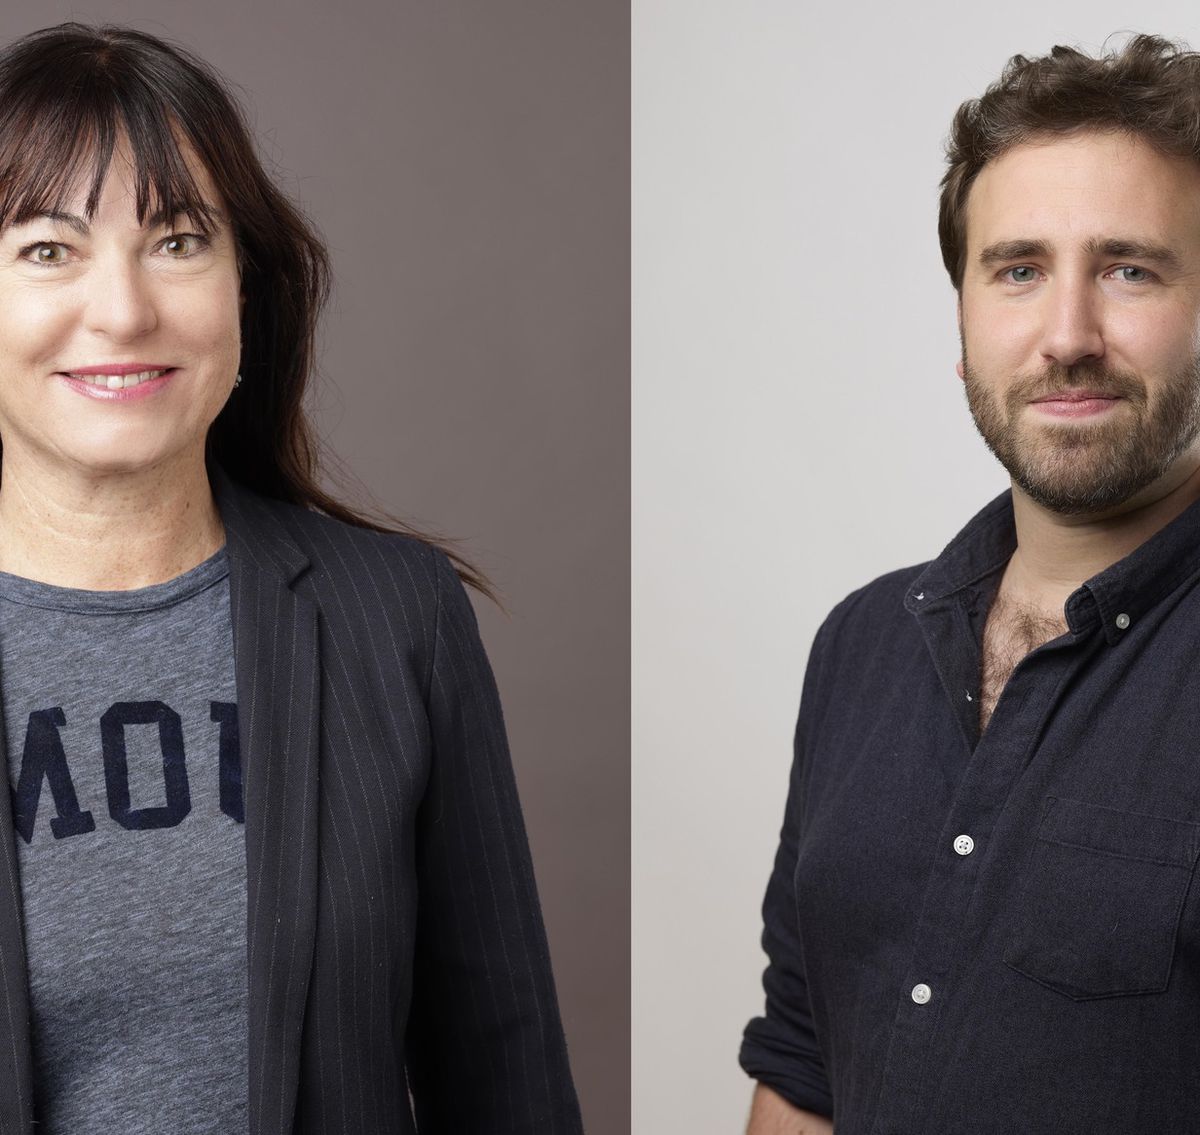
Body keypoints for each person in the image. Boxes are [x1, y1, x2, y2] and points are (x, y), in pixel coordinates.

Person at [0, 20, 582, 1135]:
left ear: (247, 293)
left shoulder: (394, 616)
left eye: (177, 241)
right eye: (47, 249)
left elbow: (505, 1081)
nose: (123, 310)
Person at [739, 31, 1200, 1134]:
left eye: (1130, 268)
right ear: (962, 324)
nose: (1068, 335)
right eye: (1020, 270)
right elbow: (805, 1054)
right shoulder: (858, 644)